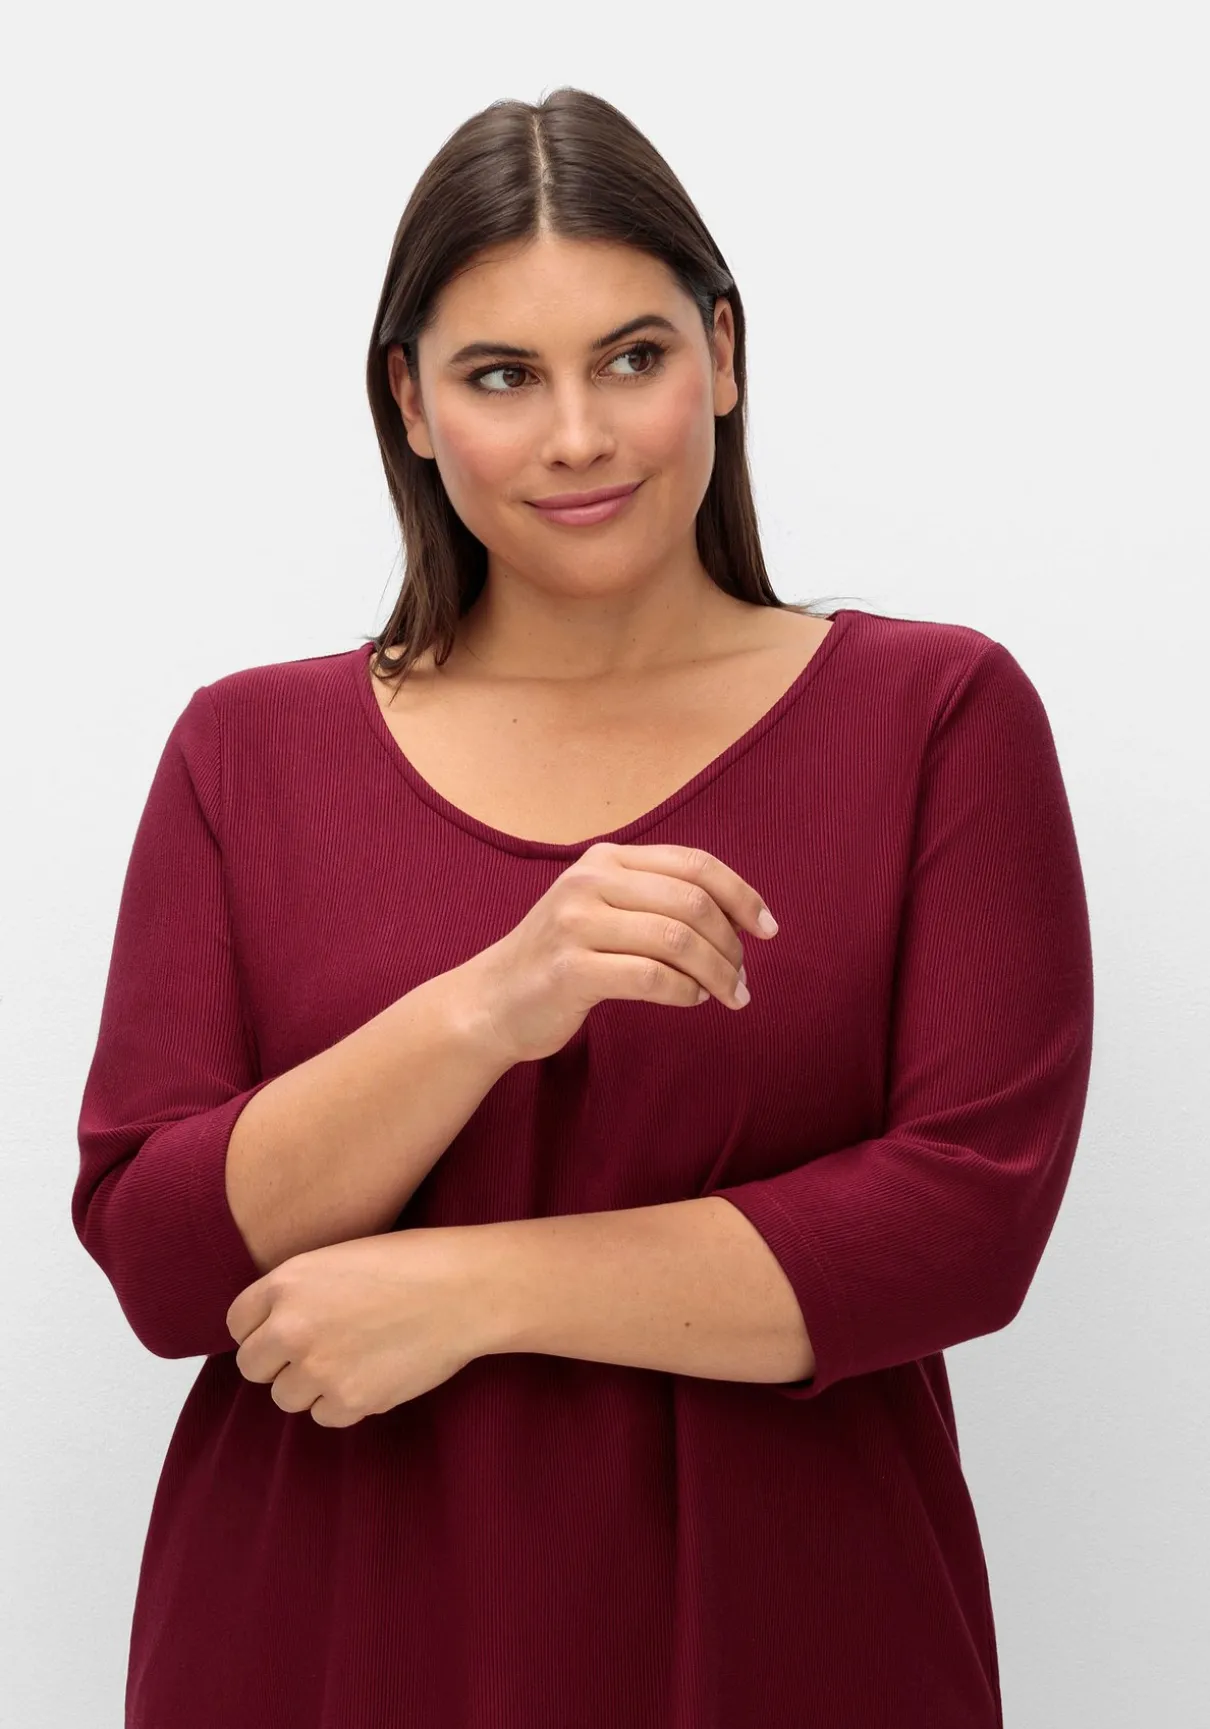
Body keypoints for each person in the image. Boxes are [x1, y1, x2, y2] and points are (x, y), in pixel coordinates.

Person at [73, 86, 1094, 1729]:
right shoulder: (246, 750)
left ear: (723, 357)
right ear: (409, 403)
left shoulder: (932, 716)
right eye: (501, 376)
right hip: (322, 1642)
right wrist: (489, 1006)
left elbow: (962, 1225)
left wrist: (469, 1289)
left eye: (631, 358)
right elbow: (160, 1261)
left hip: (791, 1645)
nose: (577, 437)